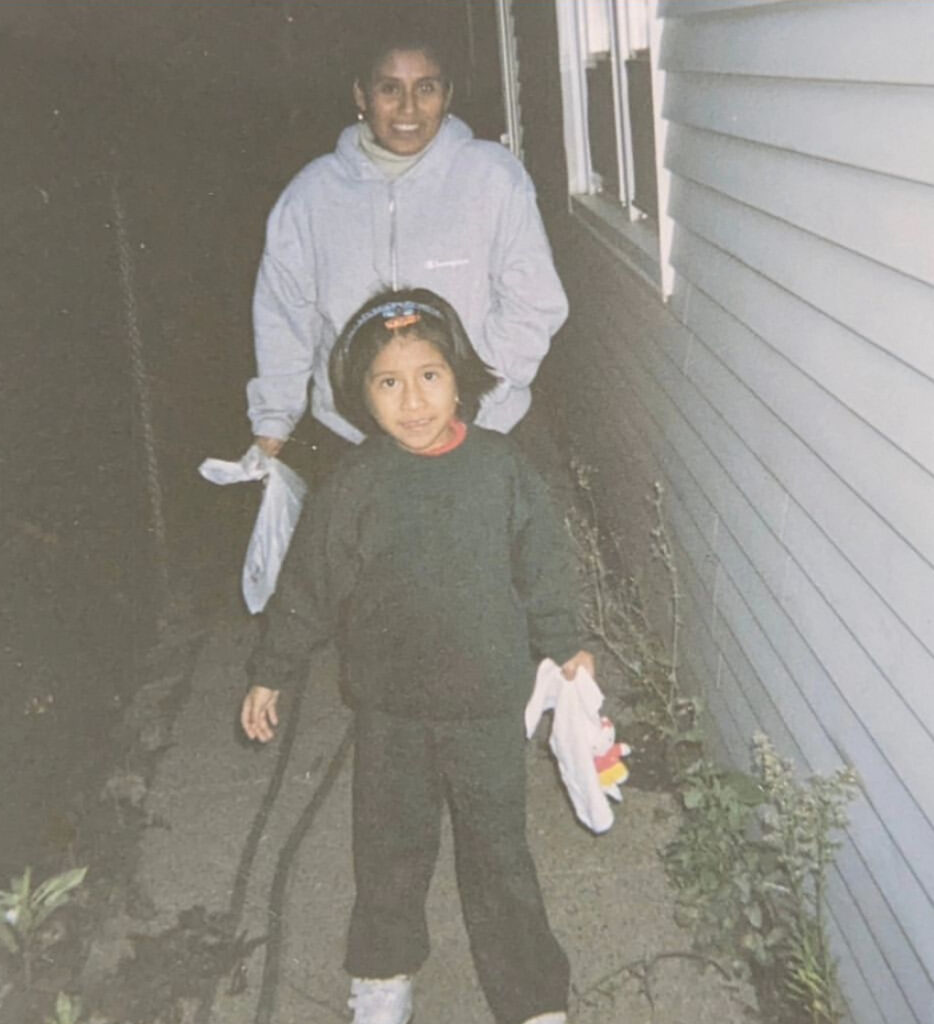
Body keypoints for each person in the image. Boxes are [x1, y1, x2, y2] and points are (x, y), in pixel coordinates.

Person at [242, 288, 592, 1024]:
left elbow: (543, 567)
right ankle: (382, 973)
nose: (412, 400)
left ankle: (531, 997)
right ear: (360, 398)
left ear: (459, 376)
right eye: (388, 383)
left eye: (429, 375)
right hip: (391, 709)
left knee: (498, 857)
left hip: (487, 706)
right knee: (389, 853)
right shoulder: (357, 484)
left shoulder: (501, 468)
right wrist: (273, 669)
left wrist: (565, 647)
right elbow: (307, 581)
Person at [247, 22, 568, 472]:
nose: (409, 108)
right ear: (361, 95)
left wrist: (472, 394)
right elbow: (284, 318)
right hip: (358, 440)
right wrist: (272, 423)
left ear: (448, 94)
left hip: (480, 431)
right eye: (389, 89)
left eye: (427, 88)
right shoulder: (310, 195)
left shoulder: (492, 177)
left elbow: (533, 303)